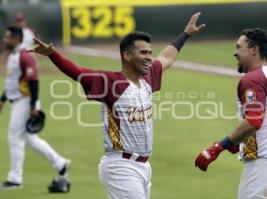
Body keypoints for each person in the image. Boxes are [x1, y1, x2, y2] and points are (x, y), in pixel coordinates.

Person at [28, 12, 205, 199]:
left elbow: (166, 57)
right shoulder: (110, 83)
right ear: (127, 55)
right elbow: (77, 72)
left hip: (144, 167)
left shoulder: (148, 77)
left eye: (150, 53)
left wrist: (185, 34)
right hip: (120, 167)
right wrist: (52, 54)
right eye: (143, 52)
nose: (149, 58)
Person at [194, 28, 267, 199]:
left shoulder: (253, 79)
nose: (235, 53)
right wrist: (239, 143)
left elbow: (254, 121)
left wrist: (218, 147)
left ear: (254, 50)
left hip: (266, 165)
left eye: (238, 47)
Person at [0, 26, 70, 189]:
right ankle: (60, 164)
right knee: (30, 140)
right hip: (18, 100)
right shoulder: (13, 55)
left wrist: (32, 106)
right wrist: (3, 99)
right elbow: (12, 82)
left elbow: (34, 81)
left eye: (8, 37)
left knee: (14, 138)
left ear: (17, 39)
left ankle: (15, 179)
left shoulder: (25, 56)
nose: (5, 40)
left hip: (25, 101)